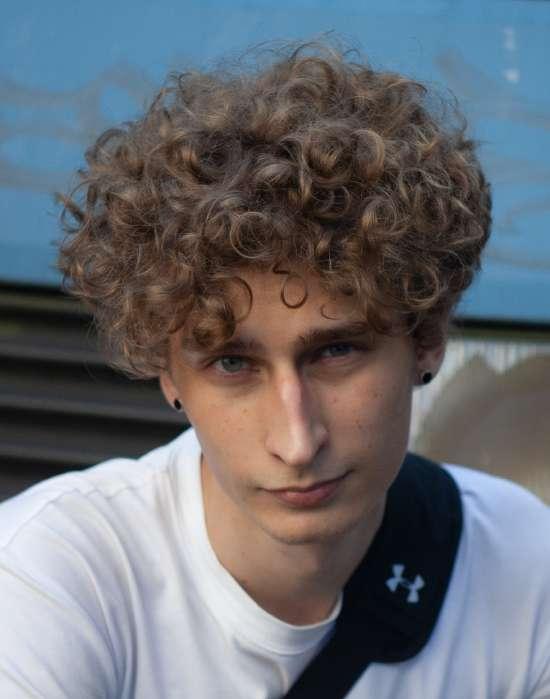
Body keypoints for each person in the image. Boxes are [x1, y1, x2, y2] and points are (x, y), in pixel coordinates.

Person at [1, 42, 549, 698]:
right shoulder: (53, 577)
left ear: (427, 338)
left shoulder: (524, 568)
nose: (297, 440)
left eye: (337, 352)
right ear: (168, 374)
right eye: (233, 363)